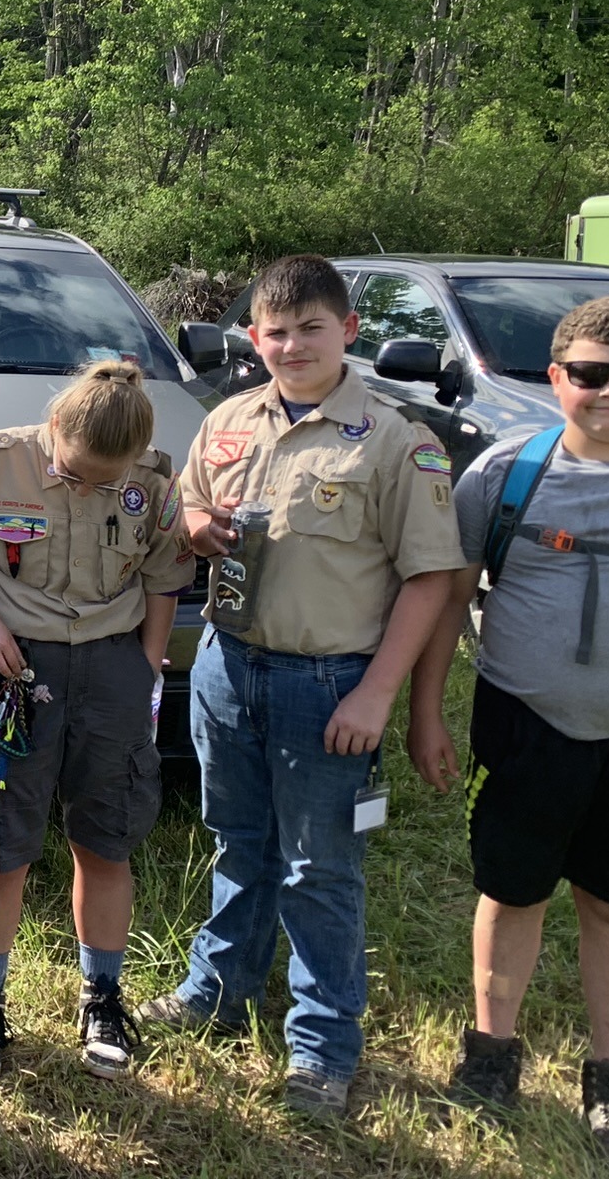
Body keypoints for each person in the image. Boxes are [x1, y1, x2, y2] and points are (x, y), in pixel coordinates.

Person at [140, 254, 462, 1120]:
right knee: (237, 842)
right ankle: (219, 990)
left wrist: (378, 696)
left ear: (348, 331)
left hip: (331, 683)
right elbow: (186, 511)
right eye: (275, 332)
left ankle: (323, 1047)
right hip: (228, 663)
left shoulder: (397, 441)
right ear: (253, 336)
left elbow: (431, 579)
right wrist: (199, 526)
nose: (292, 346)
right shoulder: (230, 420)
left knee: (320, 870)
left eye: (311, 329)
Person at [410, 296, 609, 1178]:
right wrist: (427, 711)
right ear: (557, 379)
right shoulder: (505, 473)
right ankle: (490, 1058)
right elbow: (443, 604)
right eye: (589, 374)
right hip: (525, 723)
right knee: (510, 892)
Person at [0, 361, 193, 1080]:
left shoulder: (156, 481)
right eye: (80, 472)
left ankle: (102, 995)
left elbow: (165, 574)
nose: (96, 486)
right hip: (13, 667)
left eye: (111, 477)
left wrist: (148, 668)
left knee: (107, 838)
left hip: (112, 669)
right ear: (56, 430)